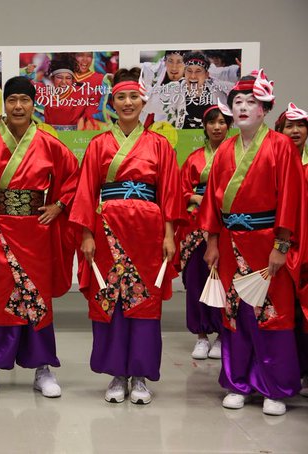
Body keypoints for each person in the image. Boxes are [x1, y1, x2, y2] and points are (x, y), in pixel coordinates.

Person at [0, 76, 80, 399]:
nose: (18, 106)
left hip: (36, 231)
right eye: (12, 100)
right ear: (4, 104)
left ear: (33, 104)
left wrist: (59, 205)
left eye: (25, 100)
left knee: (37, 298)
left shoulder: (48, 143)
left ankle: (42, 368)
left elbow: (74, 174)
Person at [69, 68, 183, 405]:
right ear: (113, 102)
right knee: (112, 301)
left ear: (143, 100)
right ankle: (117, 374)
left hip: (148, 235)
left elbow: (170, 194)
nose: (128, 102)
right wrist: (86, 235)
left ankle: (141, 376)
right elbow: (86, 193)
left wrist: (169, 235)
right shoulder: (98, 144)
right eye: (121, 97)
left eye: (134, 96)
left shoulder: (160, 145)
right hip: (107, 233)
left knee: (145, 303)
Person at [199, 70, 307, 416]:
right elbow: (211, 203)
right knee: (236, 314)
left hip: (267, 243)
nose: (243, 107)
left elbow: (291, 199)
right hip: (231, 243)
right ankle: (238, 383)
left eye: (251, 102)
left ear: (265, 109)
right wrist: (212, 242)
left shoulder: (281, 147)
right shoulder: (225, 150)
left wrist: (282, 246)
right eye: (238, 102)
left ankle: (275, 387)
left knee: (273, 314)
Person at [177, 105, 232, 359]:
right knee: (197, 279)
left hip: (225, 224)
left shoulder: (237, 156)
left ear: (229, 126)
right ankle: (201, 336)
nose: (217, 127)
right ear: (205, 126)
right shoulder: (194, 158)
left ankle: (222, 334)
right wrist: (196, 198)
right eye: (212, 122)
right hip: (196, 225)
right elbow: (179, 190)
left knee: (224, 279)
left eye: (222, 122)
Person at [274, 102, 308, 397]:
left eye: (300, 125)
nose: (295, 130)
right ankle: (286, 370)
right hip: (279, 245)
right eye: (289, 126)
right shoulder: (274, 164)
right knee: (283, 311)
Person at [163, 52, 232, 129]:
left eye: (198, 71)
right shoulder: (172, 90)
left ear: (206, 75)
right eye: (189, 71)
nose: (193, 76)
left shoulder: (219, 91)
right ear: (184, 73)